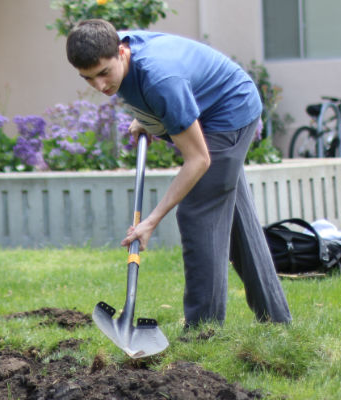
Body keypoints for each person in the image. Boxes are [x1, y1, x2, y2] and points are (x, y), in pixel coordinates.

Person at [65, 19, 291, 328]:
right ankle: (276, 320)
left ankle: (203, 331)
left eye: (104, 73)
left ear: (122, 51)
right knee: (236, 221)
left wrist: (151, 221)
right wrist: (149, 117)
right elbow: (152, 94)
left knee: (198, 213)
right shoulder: (123, 60)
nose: (101, 87)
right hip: (205, 107)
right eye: (88, 79)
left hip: (229, 112)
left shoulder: (160, 79)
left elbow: (198, 160)